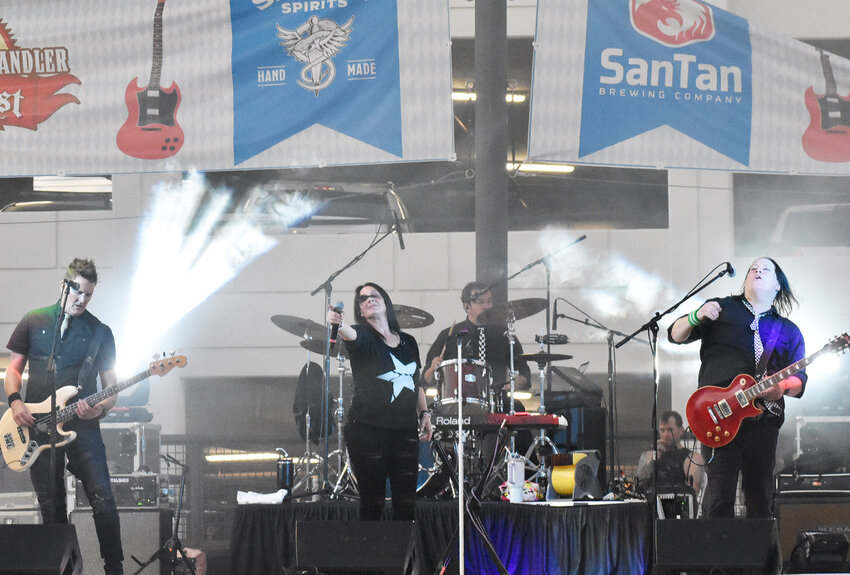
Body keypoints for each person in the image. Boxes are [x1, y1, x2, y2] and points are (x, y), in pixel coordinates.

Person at [5, 258, 124, 575]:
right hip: (38, 428)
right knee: (51, 507)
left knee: (103, 500)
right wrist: (16, 402)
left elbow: (112, 387)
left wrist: (100, 407)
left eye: (88, 295)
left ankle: (114, 567)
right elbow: (13, 370)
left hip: (83, 428)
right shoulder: (34, 320)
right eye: (78, 292)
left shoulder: (101, 332)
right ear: (64, 285)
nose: (82, 300)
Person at [668, 257, 806, 519]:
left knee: (760, 498)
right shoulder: (721, 309)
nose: (757, 270)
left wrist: (782, 387)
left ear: (778, 285)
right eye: (753, 268)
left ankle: (761, 559)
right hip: (719, 416)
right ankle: (720, 561)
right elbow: (675, 335)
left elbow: (800, 380)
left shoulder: (788, 330)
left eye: (766, 269)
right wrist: (696, 316)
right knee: (720, 497)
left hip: (763, 420)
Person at [326, 282, 433, 520]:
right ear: (361, 311)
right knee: (372, 503)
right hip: (368, 431)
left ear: (385, 302)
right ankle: (371, 555)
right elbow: (347, 332)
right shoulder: (362, 335)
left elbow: (415, 382)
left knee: (406, 505)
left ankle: (405, 556)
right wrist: (337, 321)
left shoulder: (409, 342)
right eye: (363, 300)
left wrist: (425, 414)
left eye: (374, 295)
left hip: (405, 431)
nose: (369, 300)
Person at [423, 282, 532, 409]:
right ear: (466, 306)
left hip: (496, 402)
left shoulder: (504, 335)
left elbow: (524, 372)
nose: (487, 306)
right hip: (457, 404)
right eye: (480, 302)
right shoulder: (450, 335)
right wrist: (432, 368)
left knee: (518, 410)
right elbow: (426, 380)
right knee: (431, 414)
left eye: (489, 301)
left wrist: (518, 381)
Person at [636, 410, 704, 497]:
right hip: (652, 504)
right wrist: (653, 458)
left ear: (681, 430)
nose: (665, 434)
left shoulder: (692, 458)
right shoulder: (649, 455)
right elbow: (639, 485)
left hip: (677, 505)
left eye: (670, 430)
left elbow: (692, 491)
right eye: (662, 430)